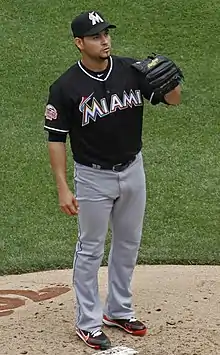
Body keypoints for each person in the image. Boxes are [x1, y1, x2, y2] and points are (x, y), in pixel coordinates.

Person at [44, 10, 181, 351]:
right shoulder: (65, 87)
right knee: (90, 249)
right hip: (92, 177)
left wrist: (172, 83)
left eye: (106, 33)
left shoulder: (132, 71)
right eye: (95, 36)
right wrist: (63, 186)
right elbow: (55, 139)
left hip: (134, 169)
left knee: (128, 243)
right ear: (79, 43)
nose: (104, 40)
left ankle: (118, 310)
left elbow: (172, 101)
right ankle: (88, 322)